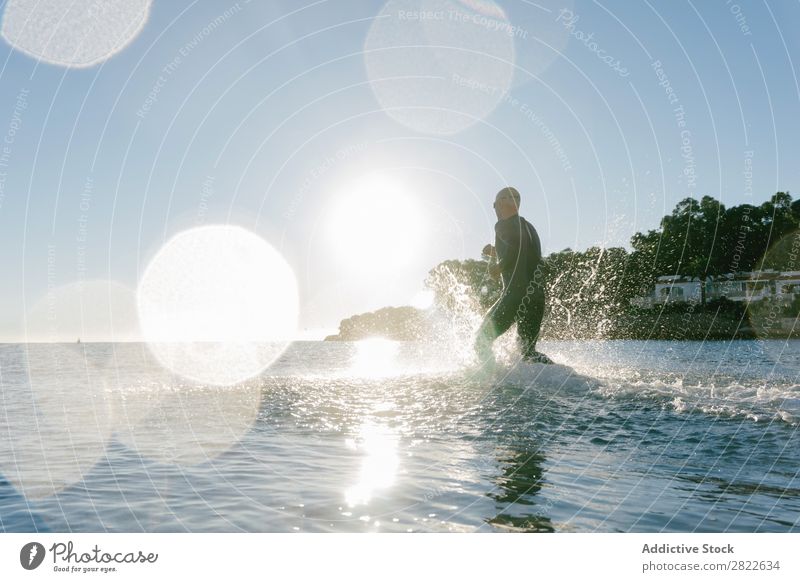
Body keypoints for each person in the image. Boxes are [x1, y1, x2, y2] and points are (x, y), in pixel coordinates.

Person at [475, 187, 552, 364]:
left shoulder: (503, 224)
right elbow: (524, 253)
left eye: (494, 205)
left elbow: (514, 253)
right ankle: (565, 376)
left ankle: (490, 380)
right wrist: (495, 252)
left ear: (501, 203)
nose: (495, 210)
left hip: (515, 296)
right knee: (527, 352)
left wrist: (498, 267)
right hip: (536, 298)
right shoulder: (529, 227)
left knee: (480, 340)